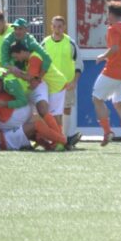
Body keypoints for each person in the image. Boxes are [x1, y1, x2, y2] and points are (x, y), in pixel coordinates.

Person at [92, 1, 121, 150]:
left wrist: (102, 56)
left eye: (108, 14)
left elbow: (114, 48)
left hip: (113, 71)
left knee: (97, 99)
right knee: (119, 104)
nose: (107, 17)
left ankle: (107, 132)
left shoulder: (113, 29)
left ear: (111, 14)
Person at [9, 40, 69, 149]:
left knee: (54, 115)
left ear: (22, 51)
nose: (16, 59)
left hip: (56, 85)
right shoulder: (31, 58)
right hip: (53, 85)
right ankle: (59, 140)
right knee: (51, 114)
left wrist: (17, 72)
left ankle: (60, 141)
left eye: (16, 56)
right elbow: (33, 77)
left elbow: (30, 77)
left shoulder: (34, 58)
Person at [43, 16, 84, 146]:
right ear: (51, 27)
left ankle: (65, 138)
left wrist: (74, 81)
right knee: (49, 111)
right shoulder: (44, 43)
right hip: (49, 84)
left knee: (66, 109)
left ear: (64, 27)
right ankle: (52, 138)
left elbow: (79, 64)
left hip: (67, 84)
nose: (57, 29)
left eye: (60, 26)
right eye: (54, 26)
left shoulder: (70, 43)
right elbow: (38, 62)